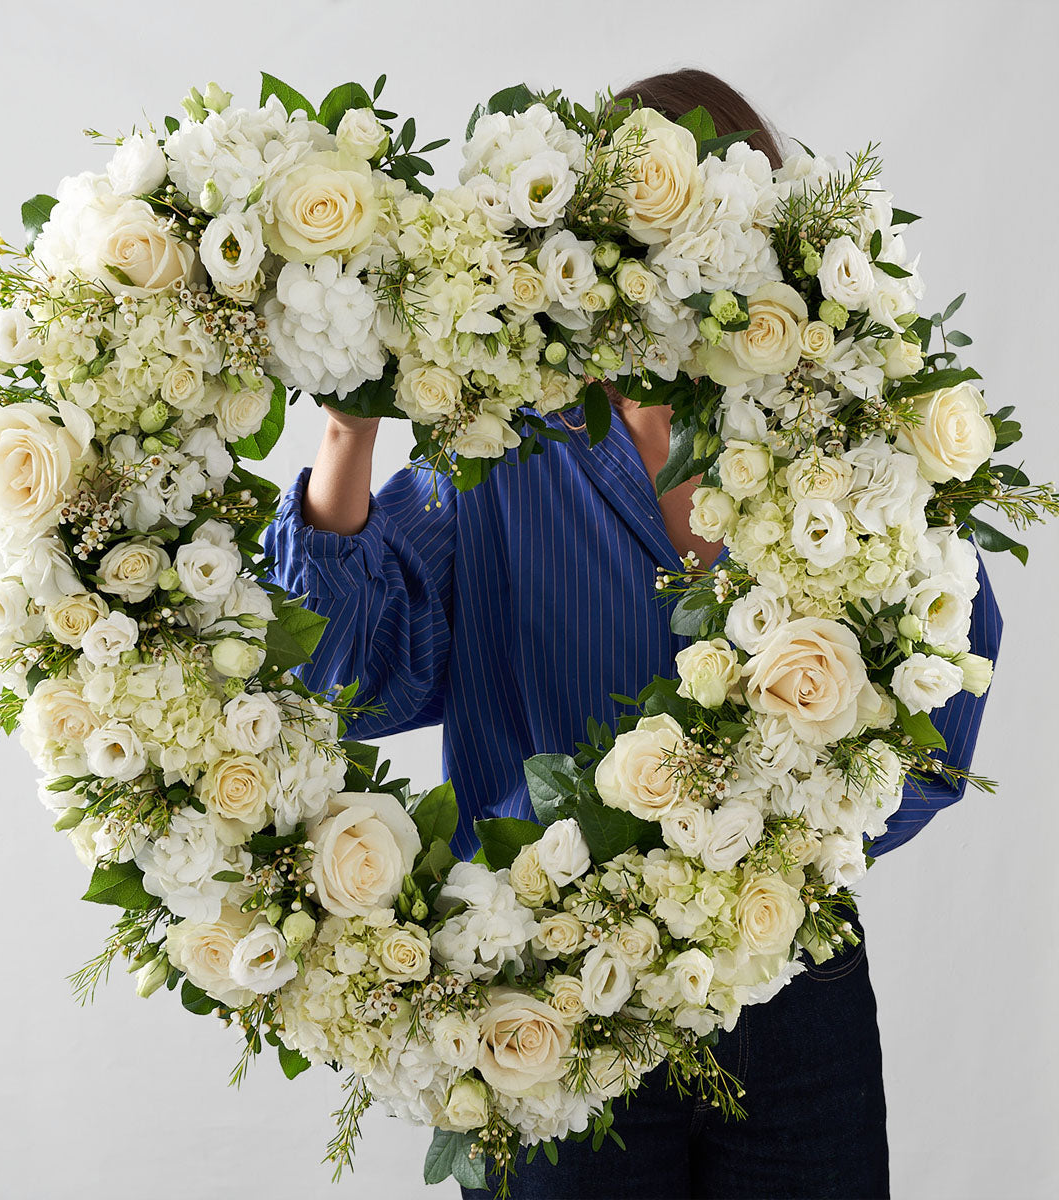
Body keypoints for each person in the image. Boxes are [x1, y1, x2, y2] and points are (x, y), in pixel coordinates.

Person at [259, 68, 1004, 1200]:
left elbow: (942, 683)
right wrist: (346, 429)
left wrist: (772, 869)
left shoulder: (839, 445)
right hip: (545, 1009)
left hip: (788, 991)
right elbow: (348, 676)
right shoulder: (499, 442)